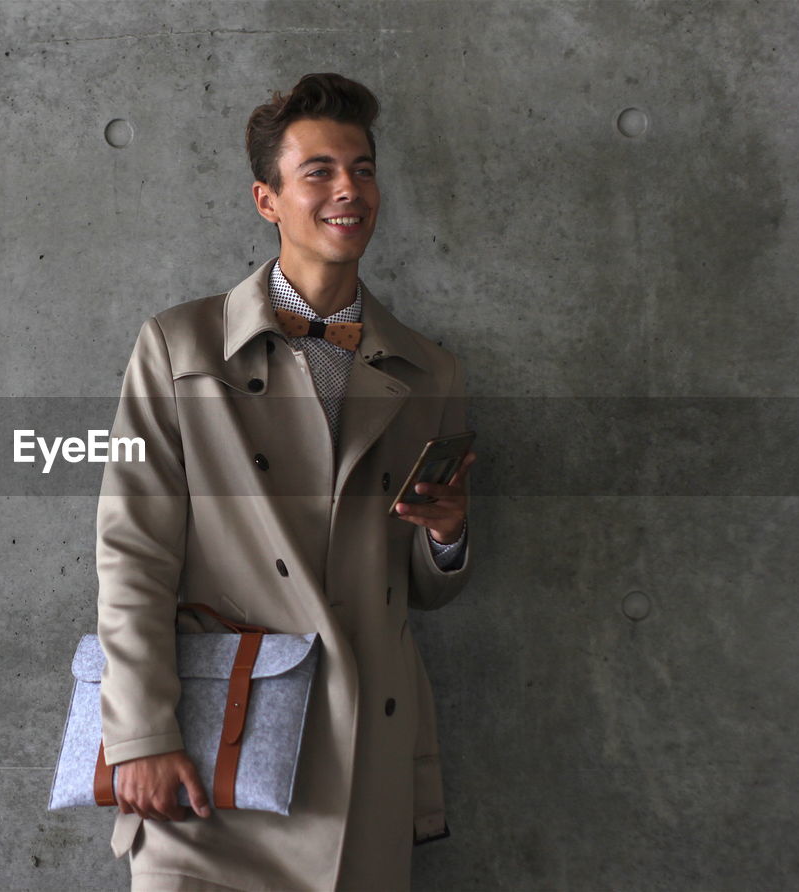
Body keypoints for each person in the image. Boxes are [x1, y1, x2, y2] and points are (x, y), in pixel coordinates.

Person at [95, 72, 475, 891]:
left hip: (356, 757)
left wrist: (445, 537)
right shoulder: (179, 347)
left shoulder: (428, 370)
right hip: (213, 751)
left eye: (364, 168)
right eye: (321, 172)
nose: (350, 190)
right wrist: (138, 736)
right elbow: (133, 553)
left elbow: (415, 592)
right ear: (267, 199)